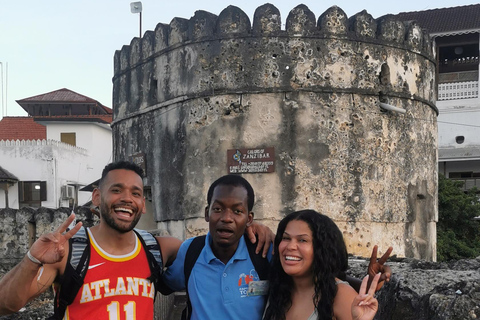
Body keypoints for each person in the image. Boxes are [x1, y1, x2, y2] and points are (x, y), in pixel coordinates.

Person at [0, 161, 272, 318]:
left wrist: (254, 228)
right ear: (97, 197)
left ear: (143, 204)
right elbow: (8, 304)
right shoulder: (70, 253)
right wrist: (32, 259)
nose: (127, 199)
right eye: (116, 190)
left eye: (136, 193)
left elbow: (217, 241)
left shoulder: (159, 249)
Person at [162, 175, 392, 320]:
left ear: (249, 218)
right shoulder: (190, 252)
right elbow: (162, 280)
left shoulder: (263, 252)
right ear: (206, 213)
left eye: (238, 211)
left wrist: (364, 281)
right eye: (218, 209)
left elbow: (320, 276)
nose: (227, 218)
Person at [263, 210, 382, 320]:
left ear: (322, 249)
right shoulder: (277, 288)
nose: (290, 246)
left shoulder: (341, 295)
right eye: (286, 238)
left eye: (302, 240)